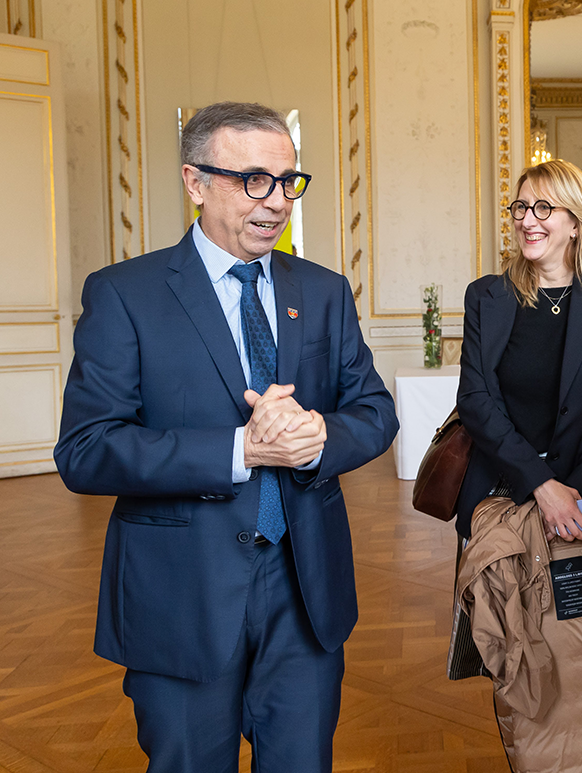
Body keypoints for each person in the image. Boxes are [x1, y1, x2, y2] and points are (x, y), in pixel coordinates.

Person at [54, 101, 398, 772]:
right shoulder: (125, 293)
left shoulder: (324, 292)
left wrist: (320, 437)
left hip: (305, 588)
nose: (277, 202)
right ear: (195, 182)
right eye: (253, 181)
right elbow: (86, 450)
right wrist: (240, 451)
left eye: (288, 181)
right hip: (182, 595)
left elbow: (375, 411)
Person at [449, 159, 582, 763]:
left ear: (575, 221)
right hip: (502, 496)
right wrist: (542, 486)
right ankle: (535, 756)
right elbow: (475, 402)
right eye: (520, 207)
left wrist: (571, 495)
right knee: (516, 645)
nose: (527, 220)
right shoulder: (488, 296)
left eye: (543, 208)